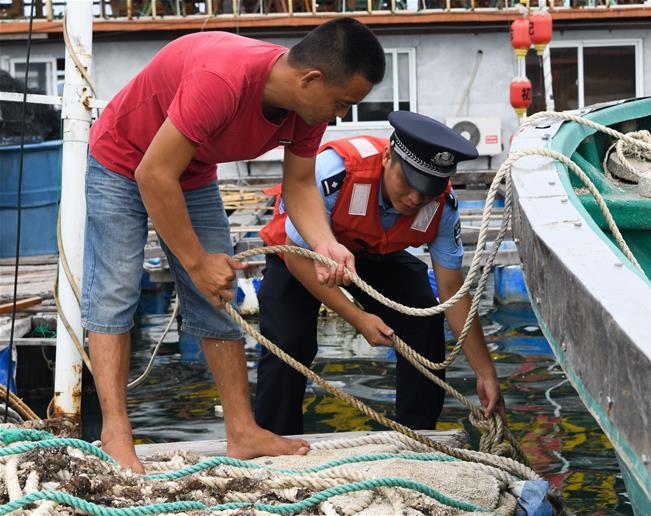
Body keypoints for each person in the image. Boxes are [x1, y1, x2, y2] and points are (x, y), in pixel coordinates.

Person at [83, 18, 386, 473]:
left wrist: (326, 243)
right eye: (342, 103)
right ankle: (115, 433)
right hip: (122, 161)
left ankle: (242, 431)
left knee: (217, 295)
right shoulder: (222, 80)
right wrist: (195, 261)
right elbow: (152, 174)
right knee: (115, 293)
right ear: (311, 79)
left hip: (189, 171)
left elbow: (301, 184)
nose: (340, 115)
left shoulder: (306, 110)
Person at [254, 111, 505, 435]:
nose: (415, 198)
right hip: (297, 251)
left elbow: (452, 290)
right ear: (388, 158)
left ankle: (418, 436)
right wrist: (358, 318)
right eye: (409, 183)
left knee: (423, 318)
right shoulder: (336, 172)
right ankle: (276, 439)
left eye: (428, 190)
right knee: (289, 339)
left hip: (372, 253)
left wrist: (485, 372)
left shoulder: (442, 207)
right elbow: (296, 257)